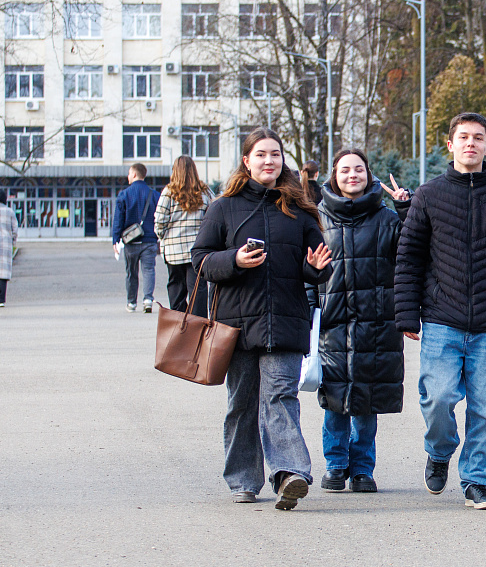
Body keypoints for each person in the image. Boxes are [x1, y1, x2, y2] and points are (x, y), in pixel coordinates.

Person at [395, 112, 486, 510]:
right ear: (450, 144)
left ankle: (478, 480)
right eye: (463, 137)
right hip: (442, 320)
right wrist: (407, 315)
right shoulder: (429, 194)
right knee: (438, 399)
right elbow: (409, 259)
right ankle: (440, 450)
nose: (470, 144)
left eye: (478, 138)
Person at [191, 127, 333, 510]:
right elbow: (200, 260)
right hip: (235, 325)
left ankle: (290, 474)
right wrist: (234, 260)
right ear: (246, 161)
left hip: (285, 319)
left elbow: (314, 266)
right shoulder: (224, 207)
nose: (269, 161)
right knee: (242, 403)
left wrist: (317, 268)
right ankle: (243, 480)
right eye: (261, 155)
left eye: (275, 154)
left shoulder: (300, 209)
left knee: (280, 396)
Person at [314, 149, 411, 494]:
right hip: (333, 322)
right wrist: (313, 314)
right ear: (334, 176)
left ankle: (363, 469)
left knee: (367, 403)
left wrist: (405, 209)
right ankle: (335, 464)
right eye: (345, 170)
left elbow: (411, 254)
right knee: (334, 400)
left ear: (369, 175)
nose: (352, 175)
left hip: (377, 322)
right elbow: (309, 272)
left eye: (358, 169)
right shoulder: (317, 219)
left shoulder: (387, 219)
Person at [154, 156, 212, 318]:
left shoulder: (169, 192)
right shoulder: (204, 191)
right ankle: (197, 324)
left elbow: (159, 221)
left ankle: (179, 322)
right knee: (198, 290)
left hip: (173, 251)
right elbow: (213, 215)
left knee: (176, 288)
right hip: (197, 250)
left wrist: (163, 238)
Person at [112, 163, 158, 313]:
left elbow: (118, 219)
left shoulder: (124, 195)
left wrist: (115, 239)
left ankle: (131, 302)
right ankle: (148, 300)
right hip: (150, 240)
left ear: (134, 174)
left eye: (129, 173)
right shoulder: (154, 195)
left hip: (131, 241)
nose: (128, 176)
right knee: (149, 270)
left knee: (131, 272)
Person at [0, 190, 17, 307]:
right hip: (5, 243)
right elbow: (14, 229)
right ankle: (1, 299)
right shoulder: (9, 211)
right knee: (3, 271)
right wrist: (13, 240)